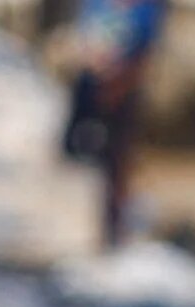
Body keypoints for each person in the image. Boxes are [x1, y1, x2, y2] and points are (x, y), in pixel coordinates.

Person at [61, 0, 170, 245]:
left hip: (125, 95)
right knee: (84, 159)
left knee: (118, 164)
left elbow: (147, 52)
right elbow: (85, 41)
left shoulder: (150, 9)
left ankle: (114, 231)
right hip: (92, 90)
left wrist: (121, 82)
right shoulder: (96, 5)